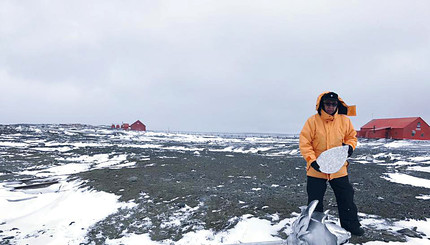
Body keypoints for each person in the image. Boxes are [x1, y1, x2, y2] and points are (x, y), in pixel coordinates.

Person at [299, 91, 364, 236]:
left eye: (334, 104)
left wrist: (349, 147)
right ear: (322, 104)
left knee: (346, 197)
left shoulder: (344, 121)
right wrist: (312, 160)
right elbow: (305, 143)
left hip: (338, 168)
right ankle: (314, 229)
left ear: (337, 105)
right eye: (328, 103)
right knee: (315, 201)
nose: (330, 106)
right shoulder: (312, 121)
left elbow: (351, 137)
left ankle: (351, 226)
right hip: (316, 169)